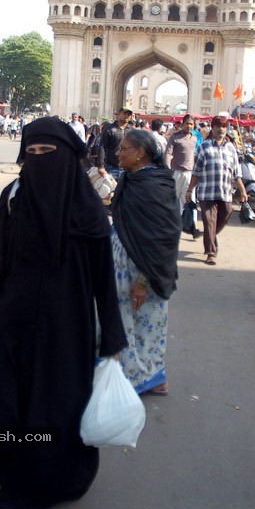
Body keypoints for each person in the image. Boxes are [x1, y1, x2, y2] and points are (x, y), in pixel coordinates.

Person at [0, 116, 127, 509]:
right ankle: (11, 472)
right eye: (32, 152)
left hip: (68, 327)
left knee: (53, 407)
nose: (40, 160)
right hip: (17, 320)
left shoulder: (88, 207)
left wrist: (111, 333)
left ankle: (37, 488)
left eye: (48, 153)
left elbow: (102, 278)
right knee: (5, 404)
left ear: (70, 157)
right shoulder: (13, 198)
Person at [111, 129, 181, 396]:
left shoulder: (154, 186)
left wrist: (142, 280)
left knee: (145, 325)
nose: (119, 153)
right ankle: (134, 377)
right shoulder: (132, 180)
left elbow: (163, 237)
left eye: (124, 149)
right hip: (123, 269)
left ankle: (147, 378)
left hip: (143, 272)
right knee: (128, 323)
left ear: (140, 153)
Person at [186, 116, 247, 265]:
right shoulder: (204, 147)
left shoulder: (231, 148)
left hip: (225, 192)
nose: (221, 129)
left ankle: (209, 234)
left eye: (224, 127)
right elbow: (196, 171)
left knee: (226, 215)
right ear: (212, 128)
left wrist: (243, 190)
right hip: (207, 192)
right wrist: (189, 190)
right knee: (209, 221)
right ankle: (211, 253)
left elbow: (236, 173)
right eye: (218, 126)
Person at [164, 114, 200, 238]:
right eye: (187, 123)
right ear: (182, 124)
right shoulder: (175, 137)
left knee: (190, 201)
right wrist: (168, 168)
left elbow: (198, 154)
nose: (189, 126)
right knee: (173, 200)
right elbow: (168, 153)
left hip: (190, 174)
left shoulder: (195, 138)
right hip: (176, 173)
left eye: (191, 124)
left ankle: (192, 227)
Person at [97, 107, 133, 180]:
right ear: (118, 114)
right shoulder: (109, 129)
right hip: (111, 168)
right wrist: (100, 166)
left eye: (129, 114)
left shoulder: (131, 131)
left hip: (127, 169)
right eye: (125, 113)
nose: (127, 116)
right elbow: (102, 147)